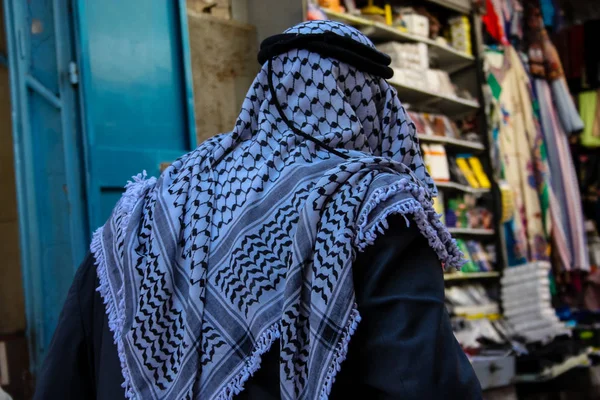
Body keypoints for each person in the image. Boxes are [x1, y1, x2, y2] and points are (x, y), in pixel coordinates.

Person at [34, 21, 482, 399]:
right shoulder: (374, 210)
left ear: (266, 93)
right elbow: (421, 382)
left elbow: (66, 372)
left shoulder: (146, 208)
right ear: (373, 106)